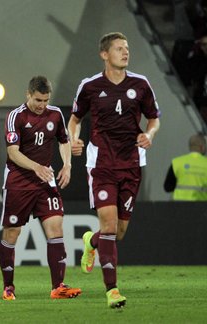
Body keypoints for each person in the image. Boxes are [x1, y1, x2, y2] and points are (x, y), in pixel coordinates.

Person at [67, 32, 161, 308]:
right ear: (104, 54)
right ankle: (112, 290)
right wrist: (74, 138)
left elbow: (154, 118)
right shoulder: (90, 86)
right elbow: (74, 119)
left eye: (127, 48)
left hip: (132, 163)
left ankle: (91, 241)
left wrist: (150, 135)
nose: (125, 52)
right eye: (119, 48)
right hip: (102, 164)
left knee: (118, 232)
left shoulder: (141, 84)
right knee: (109, 226)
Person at [0, 76, 82, 301]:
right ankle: (8, 287)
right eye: (37, 100)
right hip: (18, 181)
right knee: (12, 233)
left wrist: (67, 165)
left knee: (55, 227)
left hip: (45, 180)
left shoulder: (55, 115)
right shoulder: (15, 116)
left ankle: (58, 286)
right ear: (28, 94)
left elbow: (64, 141)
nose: (41, 105)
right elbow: (12, 152)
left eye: (45, 100)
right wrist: (36, 167)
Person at [164, 133, 207, 200]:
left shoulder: (176, 162)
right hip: (202, 207)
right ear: (202, 147)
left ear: (190, 147)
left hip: (179, 206)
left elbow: (167, 187)